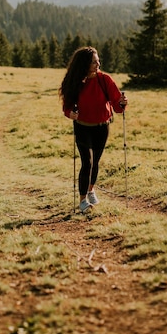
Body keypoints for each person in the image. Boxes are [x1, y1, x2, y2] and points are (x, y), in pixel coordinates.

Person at [59, 46, 128, 213]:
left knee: (95, 162)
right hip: (82, 127)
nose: (98, 64)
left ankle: (91, 190)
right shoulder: (74, 81)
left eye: (98, 61)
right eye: (94, 62)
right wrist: (70, 114)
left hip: (102, 127)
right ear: (84, 64)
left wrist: (122, 103)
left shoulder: (105, 79)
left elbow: (117, 105)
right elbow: (67, 107)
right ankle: (83, 201)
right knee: (87, 163)